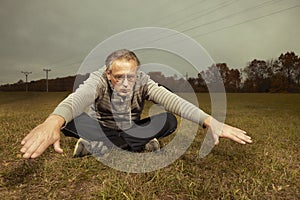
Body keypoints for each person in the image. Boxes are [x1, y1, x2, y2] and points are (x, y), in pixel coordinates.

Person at [20, 49, 252, 159]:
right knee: (71, 120)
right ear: (109, 74)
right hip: (101, 127)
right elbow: (78, 98)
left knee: (168, 120)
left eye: (130, 76)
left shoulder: (143, 82)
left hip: (132, 128)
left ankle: (98, 146)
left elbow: (173, 101)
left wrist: (209, 121)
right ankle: (130, 144)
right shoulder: (98, 80)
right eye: (119, 77)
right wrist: (53, 120)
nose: (125, 82)